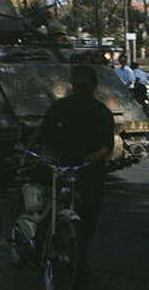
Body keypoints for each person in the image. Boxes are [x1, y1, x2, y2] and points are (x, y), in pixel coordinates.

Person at [30, 65, 114, 267]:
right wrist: (33, 152)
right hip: (65, 166)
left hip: (88, 170)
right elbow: (42, 132)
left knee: (88, 214)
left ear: (91, 86)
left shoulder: (101, 112)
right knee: (52, 207)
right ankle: (39, 247)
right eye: (78, 85)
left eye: (83, 85)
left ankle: (78, 251)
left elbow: (107, 145)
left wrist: (95, 156)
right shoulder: (63, 108)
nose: (80, 89)